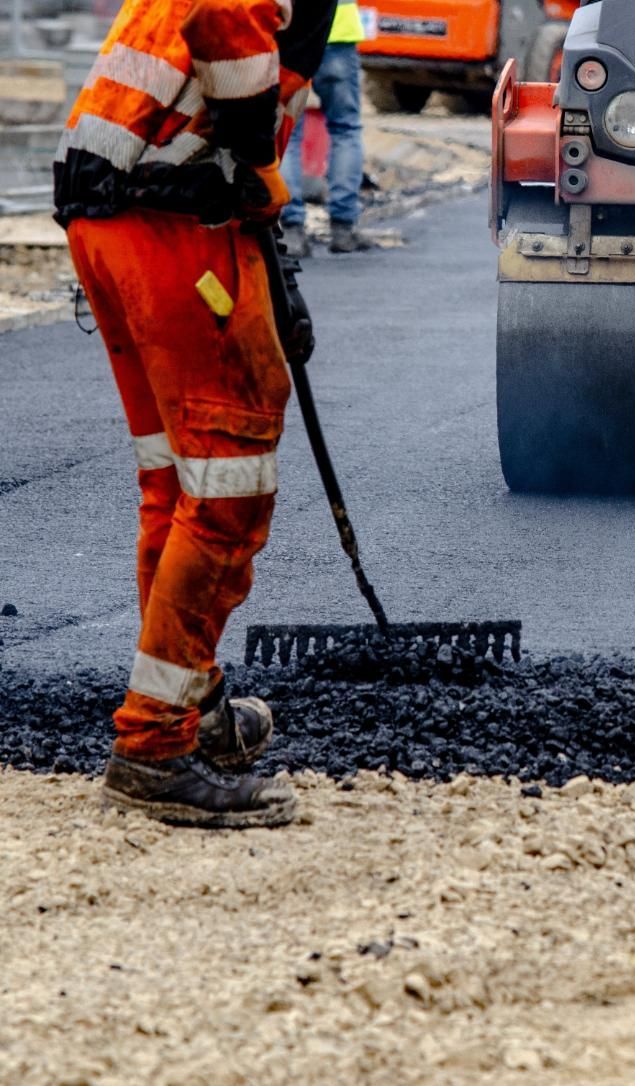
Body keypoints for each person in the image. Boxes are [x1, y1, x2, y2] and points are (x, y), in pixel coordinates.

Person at [54, 0, 335, 828]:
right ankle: (153, 746)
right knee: (225, 487)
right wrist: (251, 138)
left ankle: (190, 694)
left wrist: (257, 178)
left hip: (117, 213)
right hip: (167, 221)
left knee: (176, 480)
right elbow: (225, 14)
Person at [278, 0, 371, 256]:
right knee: (345, 128)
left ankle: (292, 229)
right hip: (337, 32)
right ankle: (343, 229)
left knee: (288, 131)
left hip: (290, 31)